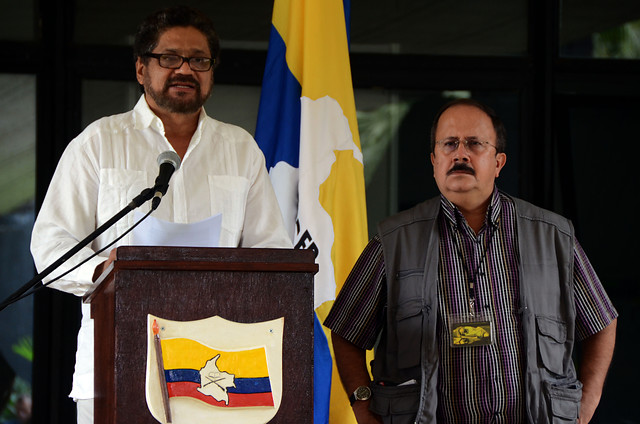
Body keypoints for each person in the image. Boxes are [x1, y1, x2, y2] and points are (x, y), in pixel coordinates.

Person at [30, 6, 291, 423]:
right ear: (141, 68)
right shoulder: (99, 143)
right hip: (117, 360)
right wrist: (106, 270)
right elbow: (51, 246)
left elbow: (272, 251)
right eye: (169, 58)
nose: (184, 69)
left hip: (217, 368)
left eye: (199, 60)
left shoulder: (240, 149)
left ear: (211, 71)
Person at [324, 98, 617, 424]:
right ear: (434, 160)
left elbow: (602, 322)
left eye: (474, 144)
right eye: (449, 144)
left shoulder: (553, 236)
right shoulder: (394, 240)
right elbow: (347, 331)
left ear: (498, 162)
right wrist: (363, 407)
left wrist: (585, 407)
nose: (460, 154)